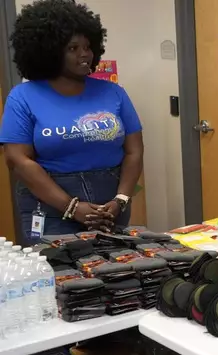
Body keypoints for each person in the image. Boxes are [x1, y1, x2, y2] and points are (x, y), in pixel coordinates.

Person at [0, 0, 143, 243]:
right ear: (49, 51)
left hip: (110, 206)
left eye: (87, 46)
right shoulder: (23, 97)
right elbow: (18, 160)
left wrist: (121, 200)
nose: (84, 54)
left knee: (117, 274)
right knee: (61, 277)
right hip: (51, 207)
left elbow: (134, 151)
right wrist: (71, 207)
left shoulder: (113, 92)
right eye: (73, 48)